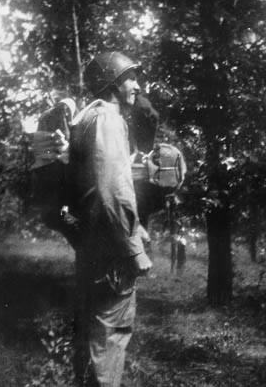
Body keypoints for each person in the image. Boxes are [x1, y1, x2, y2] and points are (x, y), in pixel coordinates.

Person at [68, 51, 153, 387]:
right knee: (110, 335)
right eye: (130, 78)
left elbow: (98, 185)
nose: (136, 85)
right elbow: (113, 191)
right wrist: (135, 249)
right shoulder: (108, 119)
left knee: (92, 334)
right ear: (113, 82)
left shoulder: (89, 117)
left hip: (92, 241)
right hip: (110, 249)